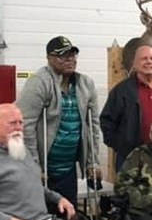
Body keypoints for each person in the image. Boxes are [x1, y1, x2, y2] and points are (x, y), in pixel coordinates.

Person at [16, 36, 101, 206]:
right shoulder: (39, 82)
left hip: (68, 169)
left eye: (72, 55)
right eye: (63, 56)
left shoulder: (86, 84)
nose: (70, 59)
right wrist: (33, 166)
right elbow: (25, 126)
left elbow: (93, 126)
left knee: (68, 213)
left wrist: (93, 162)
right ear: (49, 59)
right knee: (43, 216)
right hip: (45, 168)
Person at [100, 44, 152, 170]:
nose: (149, 62)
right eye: (144, 59)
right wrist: (123, 146)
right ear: (135, 64)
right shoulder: (121, 91)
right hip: (131, 161)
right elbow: (107, 122)